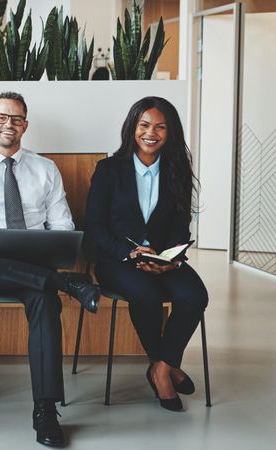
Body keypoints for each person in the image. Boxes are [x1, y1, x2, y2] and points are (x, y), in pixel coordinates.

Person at [0, 92, 100, 447]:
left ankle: (44, 410)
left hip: (31, 263)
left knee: (43, 297)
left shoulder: (45, 169)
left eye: (16, 119)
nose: (8, 124)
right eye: (1, 117)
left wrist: (46, 246)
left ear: (25, 125)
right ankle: (65, 283)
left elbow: (62, 224)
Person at [85, 96, 207, 412]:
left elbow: (181, 226)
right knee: (145, 294)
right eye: (144, 125)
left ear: (171, 133)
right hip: (116, 260)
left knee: (195, 295)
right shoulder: (109, 169)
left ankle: (162, 366)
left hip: (163, 260)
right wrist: (130, 252)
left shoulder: (176, 169)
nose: (151, 133)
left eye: (160, 127)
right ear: (133, 128)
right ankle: (165, 370)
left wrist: (172, 260)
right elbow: (94, 226)